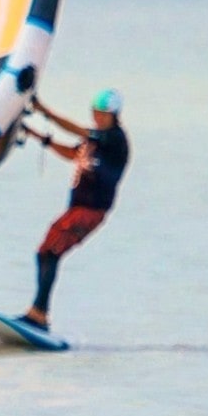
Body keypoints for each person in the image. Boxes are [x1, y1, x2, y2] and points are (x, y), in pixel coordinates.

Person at [22, 89, 129, 331]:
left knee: (50, 252)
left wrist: (44, 111)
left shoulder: (114, 138)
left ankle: (38, 315)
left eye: (103, 114)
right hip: (76, 209)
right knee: (43, 253)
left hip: (91, 211)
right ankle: (38, 314)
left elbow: (78, 131)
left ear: (114, 115)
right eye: (96, 113)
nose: (98, 118)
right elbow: (73, 153)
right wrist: (38, 136)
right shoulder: (96, 139)